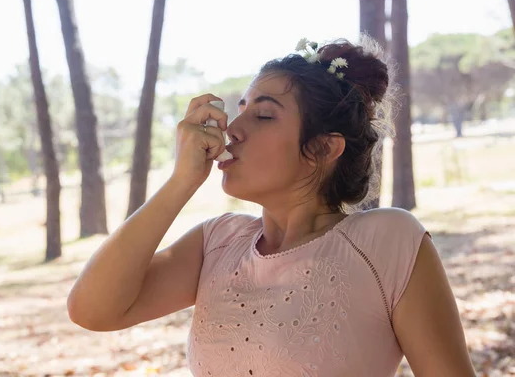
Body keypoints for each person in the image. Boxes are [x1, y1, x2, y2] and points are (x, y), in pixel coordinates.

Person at [67, 38, 476, 376]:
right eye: (240, 110)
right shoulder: (218, 242)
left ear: (322, 148)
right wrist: (181, 182)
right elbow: (93, 310)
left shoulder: (387, 242)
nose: (232, 130)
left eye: (263, 116)